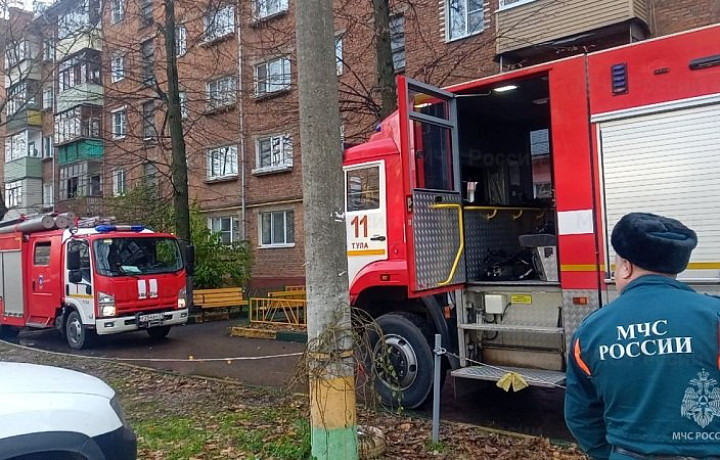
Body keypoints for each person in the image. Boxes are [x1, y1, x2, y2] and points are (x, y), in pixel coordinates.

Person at [565, 212, 720, 460]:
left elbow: (581, 415)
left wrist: (611, 454)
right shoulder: (714, 317)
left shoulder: (591, 331)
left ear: (626, 267)